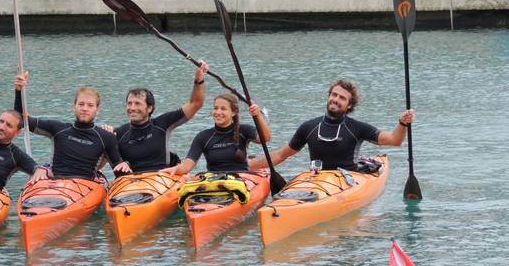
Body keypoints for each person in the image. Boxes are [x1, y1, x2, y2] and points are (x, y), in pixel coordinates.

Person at [249, 79, 415, 172]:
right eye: (334, 95)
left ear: (349, 105)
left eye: (342, 98)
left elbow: (394, 140)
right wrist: (246, 166)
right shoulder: (309, 127)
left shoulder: (357, 128)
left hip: (348, 181)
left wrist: (402, 123)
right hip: (317, 179)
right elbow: (280, 155)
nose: (336, 99)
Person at [14, 73, 122, 180]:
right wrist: (19, 91)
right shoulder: (58, 129)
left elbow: (119, 171)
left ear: (97, 110)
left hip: (86, 188)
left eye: (90, 105)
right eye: (81, 104)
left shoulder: (106, 137)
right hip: (55, 183)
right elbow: (21, 120)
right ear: (74, 107)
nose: (84, 108)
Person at [110, 61, 209, 175]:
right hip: (131, 183)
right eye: (129, 103)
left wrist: (199, 79)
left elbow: (195, 104)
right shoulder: (119, 133)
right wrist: (106, 137)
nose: (132, 108)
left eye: (137, 103)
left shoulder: (162, 124)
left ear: (150, 108)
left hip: (161, 181)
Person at [161, 92, 270, 175]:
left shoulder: (243, 130)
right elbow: (187, 166)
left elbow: (265, 138)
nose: (218, 112)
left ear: (233, 112)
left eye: (223, 109)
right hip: (214, 181)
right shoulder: (203, 136)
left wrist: (258, 116)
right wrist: (175, 169)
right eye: (215, 108)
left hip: (241, 180)